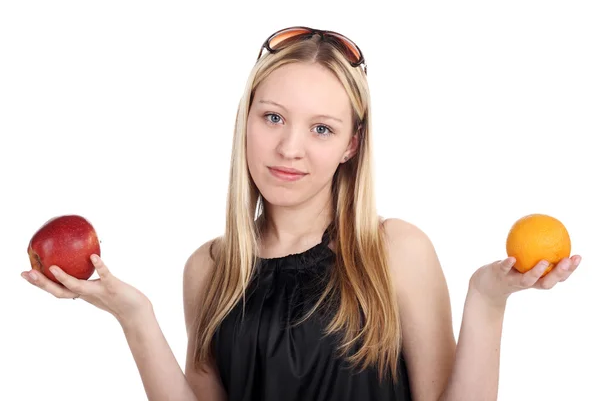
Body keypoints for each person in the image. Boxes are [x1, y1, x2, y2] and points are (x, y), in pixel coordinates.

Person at [21, 26, 581, 401]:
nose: (290, 148)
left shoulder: (396, 251)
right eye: (272, 118)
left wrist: (486, 299)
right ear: (245, 121)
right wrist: (135, 317)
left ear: (351, 146)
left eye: (321, 128)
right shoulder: (209, 268)